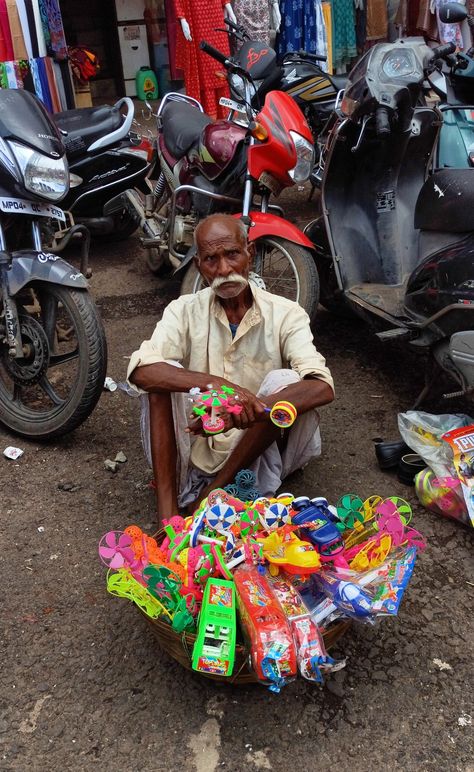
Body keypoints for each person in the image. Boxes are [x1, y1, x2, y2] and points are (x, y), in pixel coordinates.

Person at [127, 213, 334, 524]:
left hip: (260, 451)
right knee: (161, 372)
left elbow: (322, 385)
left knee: (286, 382)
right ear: (199, 266)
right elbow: (141, 371)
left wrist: (248, 409)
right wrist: (216, 386)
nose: (223, 269)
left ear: (249, 254)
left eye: (232, 255)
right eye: (211, 259)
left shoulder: (286, 313)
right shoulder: (183, 310)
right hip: (197, 448)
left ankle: (211, 495)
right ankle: (168, 519)